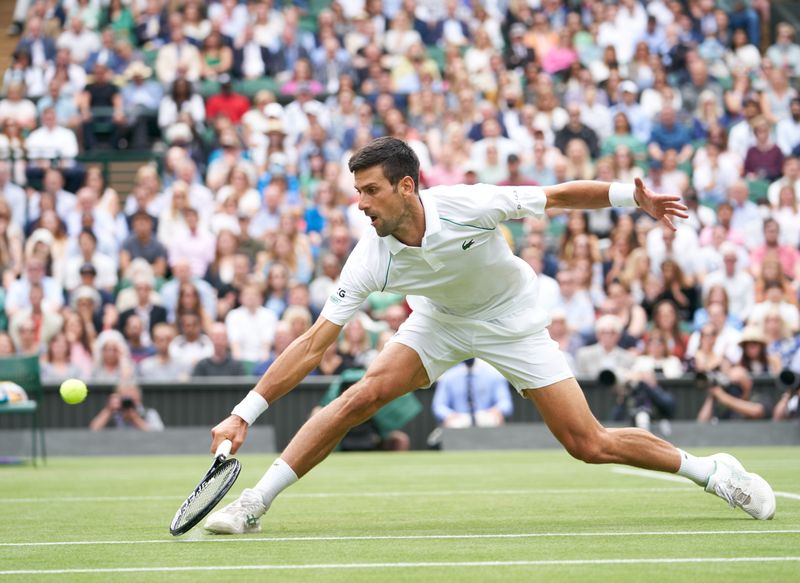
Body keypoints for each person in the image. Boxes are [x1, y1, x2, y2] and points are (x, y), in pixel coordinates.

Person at [204, 136, 773, 535]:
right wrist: (243, 413)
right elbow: (313, 345)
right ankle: (256, 501)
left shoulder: (469, 204)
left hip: (512, 320)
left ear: (407, 187)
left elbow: (556, 195)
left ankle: (712, 472)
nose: (360, 204)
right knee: (360, 395)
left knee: (588, 444)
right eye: (357, 191)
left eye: (371, 191)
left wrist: (631, 196)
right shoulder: (369, 257)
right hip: (439, 322)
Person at [432, 358, 513, 428]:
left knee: (493, 420)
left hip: (486, 418)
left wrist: (496, 411)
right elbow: (439, 406)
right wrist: (449, 415)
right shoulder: (449, 376)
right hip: (458, 420)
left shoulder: (494, 374)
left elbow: (505, 403)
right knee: (454, 424)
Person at [89, 381, 164, 431]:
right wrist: (108, 410)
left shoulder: (149, 413)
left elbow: (158, 435)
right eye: (125, 396)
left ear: (139, 396)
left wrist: (135, 418)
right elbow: (93, 430)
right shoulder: (112, 414)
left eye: (132, 396)